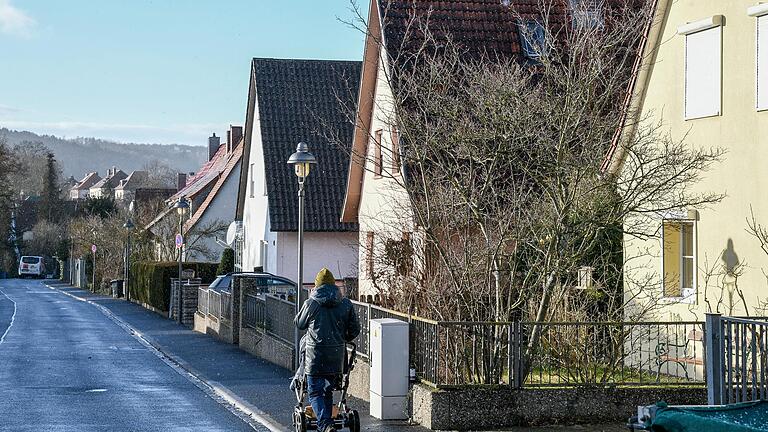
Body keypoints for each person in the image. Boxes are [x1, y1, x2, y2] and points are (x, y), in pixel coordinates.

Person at [294, 268, 360, 432]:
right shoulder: (345, 304)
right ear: (333, 285)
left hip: (315, 357)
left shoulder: (311, 303)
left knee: (315, 392)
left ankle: (325, 425)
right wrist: (341, 338)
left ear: (316, 286)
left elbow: (299, 323)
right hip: (336, 356)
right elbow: (355, 330)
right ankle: (327, 420)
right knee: (328, 390)